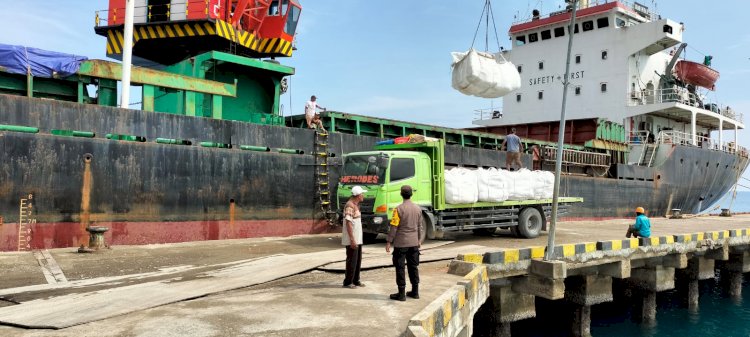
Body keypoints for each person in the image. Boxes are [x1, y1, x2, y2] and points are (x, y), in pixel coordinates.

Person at [385, 185, 422, 301]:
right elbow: (420, 227)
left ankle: (401, 294)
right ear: (411, 194)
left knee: (400, 268)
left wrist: (389, 241)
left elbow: (394, 226)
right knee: (413, 267)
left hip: (401, 244)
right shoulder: (418, 209)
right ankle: (415, 292)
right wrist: (419, 240)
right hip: (414, 243)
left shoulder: (398, 209)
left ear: (401, 194)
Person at [342, 185, 366, 289]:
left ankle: (356, 280)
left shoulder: (355, 205)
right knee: (352, 260)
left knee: (357, 260)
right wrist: (352, 239)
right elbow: (348, 223)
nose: (363, 196)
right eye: (362, 194)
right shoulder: (350, 206)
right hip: (353, 239)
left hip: (357, 239)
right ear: (358, 195)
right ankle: (348, 282)